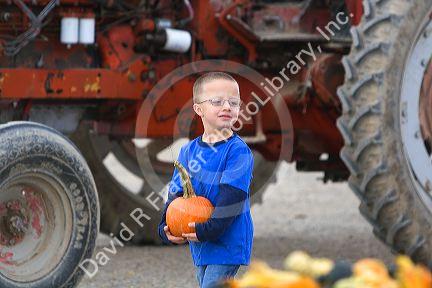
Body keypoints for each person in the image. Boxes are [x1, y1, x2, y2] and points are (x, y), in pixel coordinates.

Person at [158, 71, 255, 288]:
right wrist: (166, 226)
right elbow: (176, 194)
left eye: (233, 102)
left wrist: (206, 230)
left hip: (227, 240)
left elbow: (232, 198)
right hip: (200, 241)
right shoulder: (188, 151)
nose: (227, 107)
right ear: (198, 109)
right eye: (217, 101)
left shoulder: (238, 152)